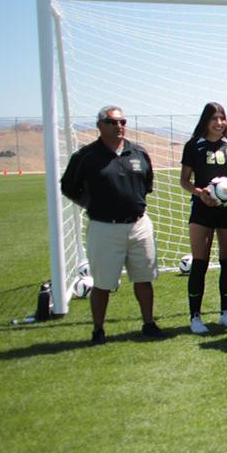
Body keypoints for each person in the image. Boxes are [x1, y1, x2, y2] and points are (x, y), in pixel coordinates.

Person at [61, 105, 164, 344]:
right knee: (103, 283)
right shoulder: (86, 156)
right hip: (104, 227)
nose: (118, 126)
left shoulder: (138, 152)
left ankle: (148, 323)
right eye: (112, 122)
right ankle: (98, 330)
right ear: (99, 125)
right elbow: (68, 187)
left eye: (122, 122)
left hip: (139, 225)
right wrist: (91, 204)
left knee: (144, 278)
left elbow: (146, 185)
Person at [178, 102, 227, 334]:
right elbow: (184, 180)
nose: (219, 123)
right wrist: (201, 193)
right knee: (200, 262)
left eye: (222, 118)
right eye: (214, 118)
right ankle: (195, 316)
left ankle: (226, 312)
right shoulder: (194, 146)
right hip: (202, 210)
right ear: (205, 121)